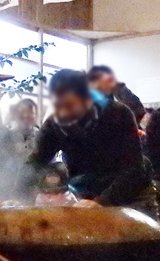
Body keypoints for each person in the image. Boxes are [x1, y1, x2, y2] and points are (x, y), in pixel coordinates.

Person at [28, 69, 147, 207]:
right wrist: (16, 196)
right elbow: (35, 162)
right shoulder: (56, 122)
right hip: (82, 190)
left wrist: (102, 202)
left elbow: (134, 169)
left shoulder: (119, 114)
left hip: (129, 193)